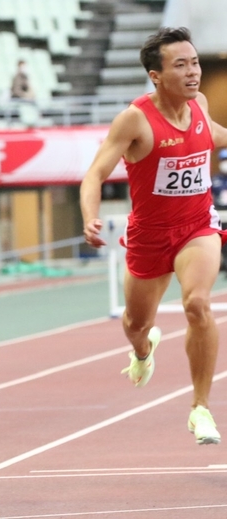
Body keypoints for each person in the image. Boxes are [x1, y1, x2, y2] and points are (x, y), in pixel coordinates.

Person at [80, 27, 227, 446]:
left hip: (198, 226)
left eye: (195, 62)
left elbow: (212, 134)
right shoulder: (135, 119)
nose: (193, 71)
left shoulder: (198, 103)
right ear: (156, 75)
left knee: (198, 304)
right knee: (135, 324)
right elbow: (95, 173)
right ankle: (142, 351)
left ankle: (200, 408)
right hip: (149, 235)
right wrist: (90, 216)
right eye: (180, 65)